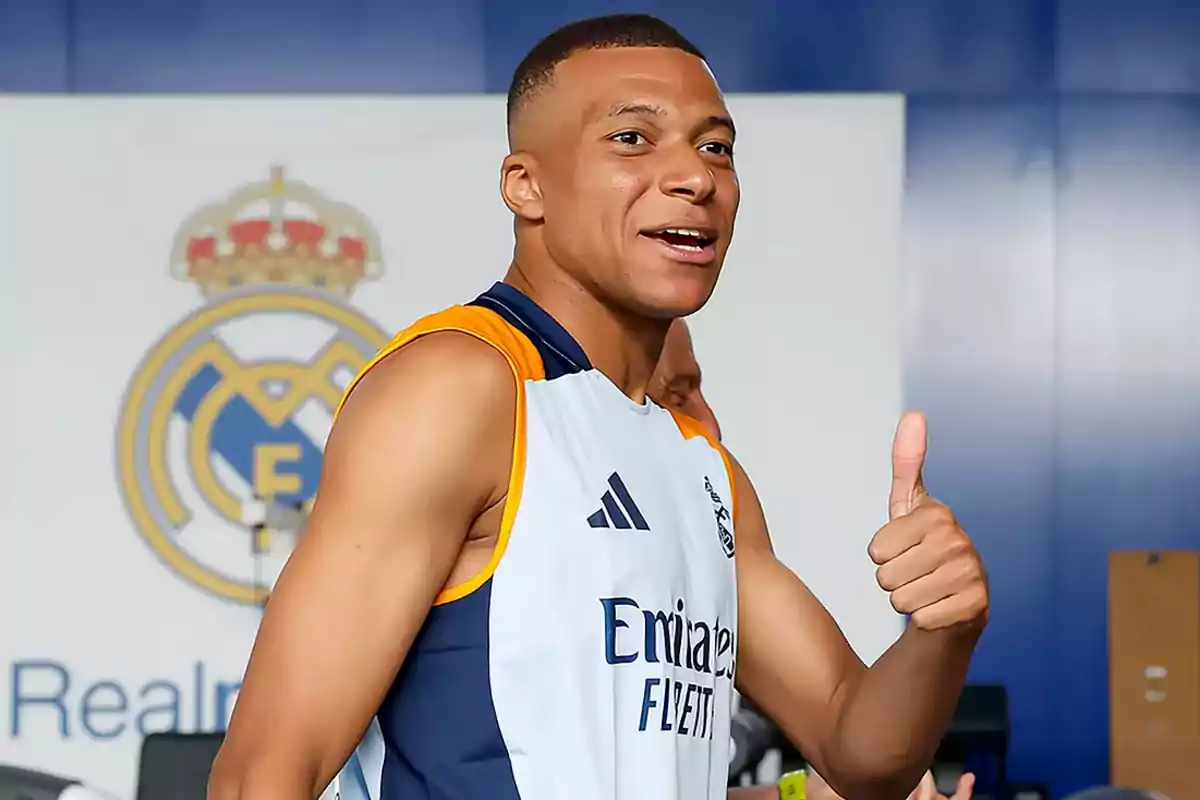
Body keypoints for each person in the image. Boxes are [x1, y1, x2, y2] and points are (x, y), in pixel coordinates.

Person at [208, 13, 988, 800]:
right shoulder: (461, 388)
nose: (695, 176)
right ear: (527, 185)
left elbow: (860, 750)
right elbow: (266, 774)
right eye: (632, 139)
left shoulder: (704, 469)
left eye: (715, 146)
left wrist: (942, 633)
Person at [648, 320, 977, 800]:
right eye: (678, 396)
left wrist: (946, 623)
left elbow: (854, 745)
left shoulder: (717, 508)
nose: (711, 424)